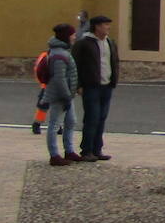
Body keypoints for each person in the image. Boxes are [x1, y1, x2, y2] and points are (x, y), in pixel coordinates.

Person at [72, 14, 118, 161]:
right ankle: (86, 150)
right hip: (91, 86)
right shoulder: (85, 43)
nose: (108, 27)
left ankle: (97, 149)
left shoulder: (110, 42)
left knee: (102, 118)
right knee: (92, 118)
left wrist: (114, 79)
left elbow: (114, 61)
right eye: (105, 25)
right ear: (97, 26)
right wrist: (78, 85)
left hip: (107, 85)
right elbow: (75, 64)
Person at [44, 23, 81, 165]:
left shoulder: (61, 51)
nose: (74, 36)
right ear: (66, 36)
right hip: (60, 95)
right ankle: (54, 155)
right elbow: (59, 79)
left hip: (66, 95)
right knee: (55, 124)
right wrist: (66, 96)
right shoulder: (59, 54)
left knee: (71, 122)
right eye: (72, 34)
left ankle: (69, 151)